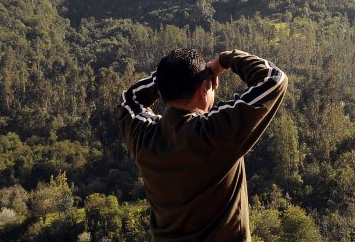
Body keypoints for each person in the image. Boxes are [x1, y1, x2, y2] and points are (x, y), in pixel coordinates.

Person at [117, 48, 288, 241]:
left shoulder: (143, 137)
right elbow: (274, 79)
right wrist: (225, 60)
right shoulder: (214, 134)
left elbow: (128, 100)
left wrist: (168, 78)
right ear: (203, 88)